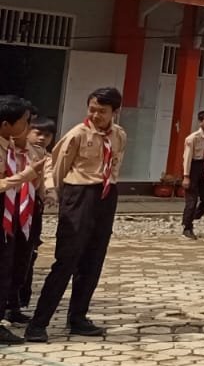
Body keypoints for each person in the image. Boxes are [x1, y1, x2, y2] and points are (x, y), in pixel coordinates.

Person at [28, 86, 125, 342]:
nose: (95, 115)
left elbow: (115, 164)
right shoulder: (77, 135)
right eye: (92, 109)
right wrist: (53, 196)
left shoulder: (119, 135)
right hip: (79, 196)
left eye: (102, 111)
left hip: (106, 196)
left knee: (93, 261)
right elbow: (57, 168)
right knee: (67, 260)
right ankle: (38, 323)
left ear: (115, 111)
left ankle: (78, 317)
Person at [0, 96, 40, 346]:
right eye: (24, 121)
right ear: (6, 124)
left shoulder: (11, 147)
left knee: (7, 266)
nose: (28, 126)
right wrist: (24, 176)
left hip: (11, 212)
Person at [8, 117, 54, 325]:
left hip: (31, 207)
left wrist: (50, 193)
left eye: (47, 135)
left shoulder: (41, 155)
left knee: (26, 256)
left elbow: (47, 176)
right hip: (10, 204)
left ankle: (14, 305)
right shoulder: (10, 149)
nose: (42, 138)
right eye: (37, 132)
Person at [180, 110, 204, 240]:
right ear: (200, 122)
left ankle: (193, 216)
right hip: (193, 168)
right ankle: (187, 227)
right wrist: (186, 176)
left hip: (203, 169)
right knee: (192, 200)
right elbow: (187, 157)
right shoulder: (193, 138)